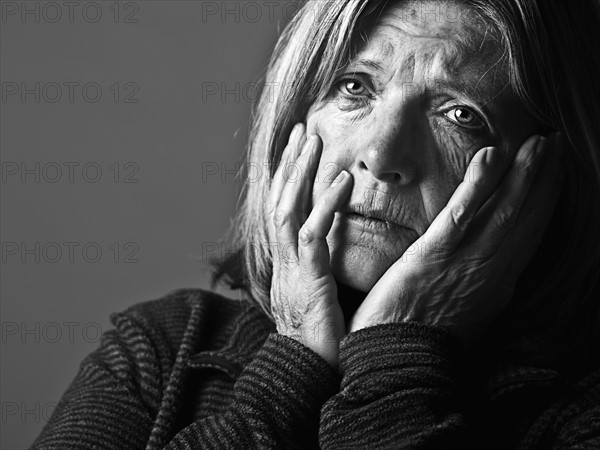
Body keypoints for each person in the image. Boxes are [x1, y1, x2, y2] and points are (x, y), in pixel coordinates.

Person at [33, 1, 600, 448]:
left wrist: (394, 361)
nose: (381, 156)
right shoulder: (161, 348)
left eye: (459, 114)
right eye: (355, 87)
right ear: (294, 120)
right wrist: (292, 369)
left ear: (541, 177)